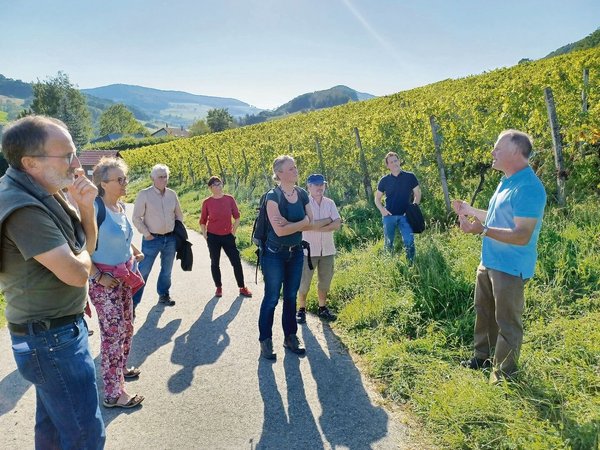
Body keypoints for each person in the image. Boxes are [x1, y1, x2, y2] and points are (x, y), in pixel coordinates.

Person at [0, 115, 105, 448]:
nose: (77, 165)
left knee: (54, 433)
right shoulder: (25, 208)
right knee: (85, 436)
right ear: (31, 162)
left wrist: (86, 209)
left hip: (51, 336)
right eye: (67, 156)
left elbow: (86, 250)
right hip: (51, 340)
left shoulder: (43, 191)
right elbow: (77, 273)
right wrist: (84, 262)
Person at [452, 129, 546, 383]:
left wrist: (481, 230)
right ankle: (482, 358)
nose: (492, 152)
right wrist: (470, 210)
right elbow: (496, 218)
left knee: (507, 322)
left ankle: (504, 375)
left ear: (515, 152)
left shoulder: (529, 188)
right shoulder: (507, 182)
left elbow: (521, 234)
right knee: (484, 312)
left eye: (497, 148)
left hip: (510, 267)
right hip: (490, 262)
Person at [89, 157, 145, 408]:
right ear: (103, 183)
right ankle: (113, 393)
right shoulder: (93, 209)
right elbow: (80, 248)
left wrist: (133, 251)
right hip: (104, 282)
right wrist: (99, 276)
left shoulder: (120, 208)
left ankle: (120, 371)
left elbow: (122, 234)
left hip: (123, 278)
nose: (125, 183)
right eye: (119, 179)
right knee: (113, 335)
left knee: (127, 327)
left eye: (125, 178)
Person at [258, 155, 313, 360]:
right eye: (291, 168)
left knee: (290, 297)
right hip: (274, 254)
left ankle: (290, 337)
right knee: (272, 298)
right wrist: (301, 222)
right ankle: (265, 340)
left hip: (296, 252)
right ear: (279, 173)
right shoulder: (272, 196)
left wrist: (290, 224)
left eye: (295, 167)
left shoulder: (302, 193)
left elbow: (311, 221)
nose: (295, 170)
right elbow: (280, 232)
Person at [132, 164, 183, 307]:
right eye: (160, 177)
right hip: (151, 239)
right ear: (152, 178)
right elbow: (136, 217)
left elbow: (179, 215)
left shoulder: (172, 194)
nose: (164, 179)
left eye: (166, 176)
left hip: (170, 238)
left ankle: (164, 295)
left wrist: (178, 232)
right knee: (143, 271)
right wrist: (147, 234)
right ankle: (133, 304)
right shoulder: (144, 194)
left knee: (167, 271)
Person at [296, 174, 341, 324]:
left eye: (322, 184)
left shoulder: (330, 203)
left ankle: (322, 308)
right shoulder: (303, 203)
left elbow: (337, 224)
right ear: (308, 186)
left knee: (325, 282)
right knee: (304, 283)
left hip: (327, 250)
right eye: (316, 185)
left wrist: (318, 227)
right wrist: (328, 221)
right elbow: (305, 225)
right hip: (307, 251)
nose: (320, 187)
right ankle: (301, 309)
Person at [199, 176, 253, 298]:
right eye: (215, 185)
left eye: (219, 184)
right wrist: (204, 234)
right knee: (215, 262)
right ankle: (218, 287)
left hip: (228, 236)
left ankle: (242, 287)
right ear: (210, 188)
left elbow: (237, 216)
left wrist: (233, 231)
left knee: (236, 261)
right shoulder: (207, 202)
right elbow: (202, 220)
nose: (218, 186)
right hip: (213, 237)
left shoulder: (229, 199)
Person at [374, 152, 422, 262]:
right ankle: (388, 264)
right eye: (391, 162)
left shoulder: (410, 177)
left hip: (406, 216)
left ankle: (411, 264)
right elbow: (377, 198)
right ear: (387, 166)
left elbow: (418, 194)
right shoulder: (384, 180)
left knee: (409, 241)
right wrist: (382, 210)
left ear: (399, 161)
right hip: (389, 217)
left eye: (396, 160)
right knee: (389, 242)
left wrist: (412, 209)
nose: (394, 163)